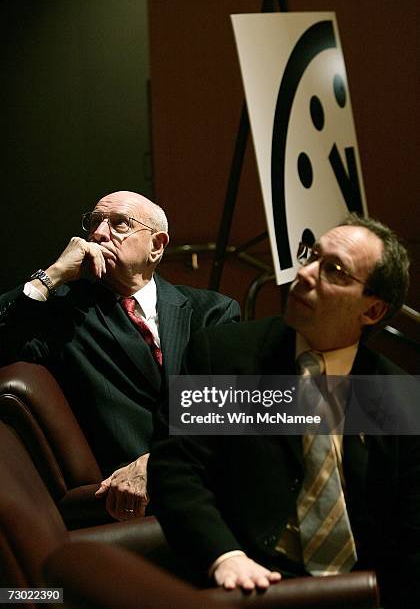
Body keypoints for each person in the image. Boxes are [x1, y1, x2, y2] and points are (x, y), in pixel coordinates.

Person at [148, 214, 419, 608]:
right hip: (251, 583)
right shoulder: (228, 356)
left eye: (334, 271)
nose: (305, 273)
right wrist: (224, 556)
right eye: (310, 256)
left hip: (362, 591)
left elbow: (411, 529)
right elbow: (177, 470)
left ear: (373, 311)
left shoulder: (398, 398)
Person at [0, 190, 240, 521]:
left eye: (119, 224)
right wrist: (51, 276)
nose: (98, 233)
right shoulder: (65, 313)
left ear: (156, 245)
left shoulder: (211, 311)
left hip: (213, 479)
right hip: (127, 506)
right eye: (94, 223)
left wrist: (158, 460)